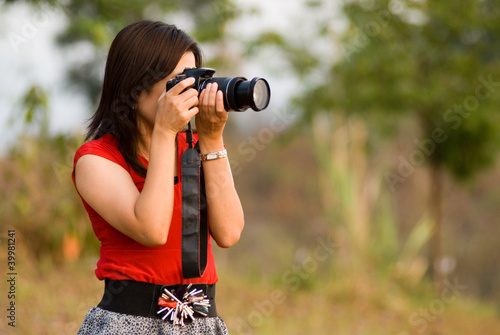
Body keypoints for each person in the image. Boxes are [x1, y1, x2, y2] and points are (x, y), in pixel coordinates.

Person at [72, 20, 244, 334]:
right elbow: (151, 229)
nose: (190, 89)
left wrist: (212, 139)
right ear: (135, 85)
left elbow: (230, 232)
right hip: (128, 323)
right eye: (179, 80)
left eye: (195, 78)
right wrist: (165, 132)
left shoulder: (193, 150)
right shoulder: (96, 159)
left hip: (201, 322)